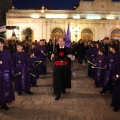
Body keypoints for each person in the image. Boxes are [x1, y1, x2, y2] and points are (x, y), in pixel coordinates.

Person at [0, 38, 15, 110]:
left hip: (6, 73)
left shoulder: (7, 52)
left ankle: (4, 103)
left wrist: (12, 70)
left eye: (0, 43)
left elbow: (11, 62)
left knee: (5, 88)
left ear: (2, 44)